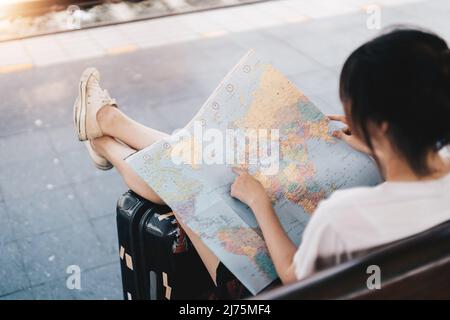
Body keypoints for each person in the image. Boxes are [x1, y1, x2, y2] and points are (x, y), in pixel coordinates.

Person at [73, 27, 450, 293]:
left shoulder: (346, 217)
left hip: (261, 299)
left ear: (381, 126)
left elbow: (292, 278)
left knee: (191, 188)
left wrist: (260, 202)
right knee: (215, 163)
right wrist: (379, 145)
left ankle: (106, 138)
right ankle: (109, 125)